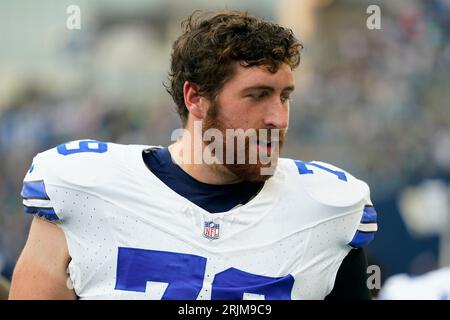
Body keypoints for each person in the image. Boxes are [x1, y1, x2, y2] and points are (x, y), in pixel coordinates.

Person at [9, 10, 377, 300]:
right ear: (195, 98)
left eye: (284, 97)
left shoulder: (327, 210)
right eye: (257, 95)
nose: (278, 119)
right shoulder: (84, 191)